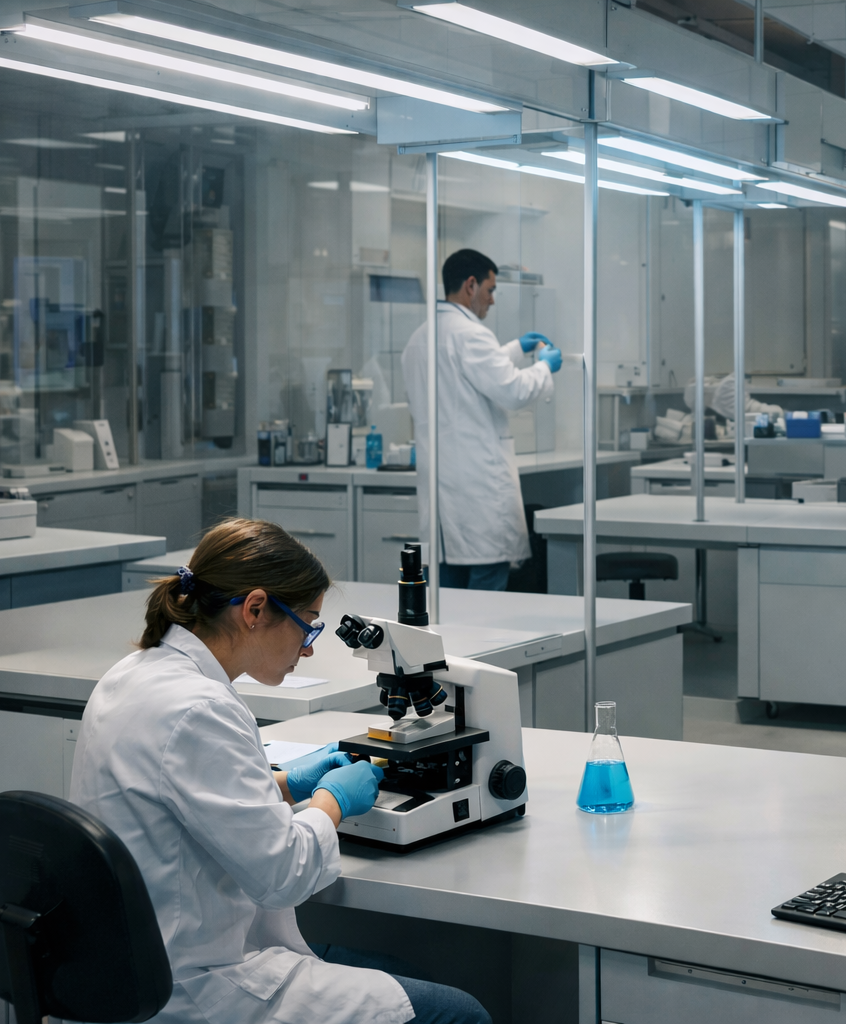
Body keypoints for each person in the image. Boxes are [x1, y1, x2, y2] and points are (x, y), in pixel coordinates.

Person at [70, 518, 492, 1024]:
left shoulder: (134, 674)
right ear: (254, 609)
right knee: (461, 1014)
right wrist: (332, 802)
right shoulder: (201, 708)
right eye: (308, 624)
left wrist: (285, 783)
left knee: (395, 972)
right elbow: (283, 876)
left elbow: (173, 799)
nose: (309, 647)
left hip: (125, 972)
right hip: (193, 988)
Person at [402, 248, 563, 591]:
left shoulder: (418, 339)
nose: (492, 300)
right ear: (471, 285)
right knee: (486, 601)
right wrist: (544, 367)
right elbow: (513, 390)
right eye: (490, 290)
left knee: (446, 600)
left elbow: (466, 375)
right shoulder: (471, 334)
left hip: (443, 501)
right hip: (478, 494)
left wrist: (516, 349)